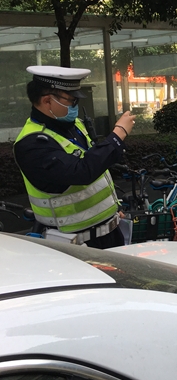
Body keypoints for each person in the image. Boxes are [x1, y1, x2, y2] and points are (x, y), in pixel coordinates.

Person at [13, 65, 136, 249]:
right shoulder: (32, 144)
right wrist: (118, 135)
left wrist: (111, 212)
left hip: (109, 233)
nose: (75, 107)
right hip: (75, 245)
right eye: (71, 101)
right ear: (47, 101)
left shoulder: (74, 125)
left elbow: (96, 169)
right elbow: (81, 172)